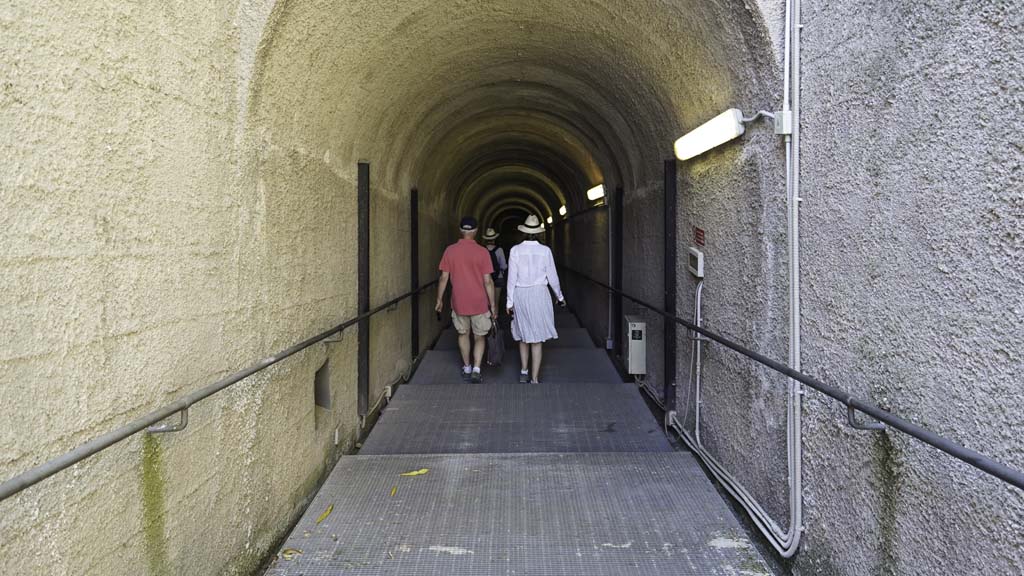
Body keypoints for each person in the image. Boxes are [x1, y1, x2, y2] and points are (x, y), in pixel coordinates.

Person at [436, 216, 498, 383]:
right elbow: (488, 281)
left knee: (463, 334)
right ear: (476, 231)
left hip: (459, 301)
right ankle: (477, 369)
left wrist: (439, 299)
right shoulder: (483, 252)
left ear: (460, 230)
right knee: (479, 336)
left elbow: (443, 278)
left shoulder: (450, 251)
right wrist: (493, 305)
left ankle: (467, 366)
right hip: (479, 302)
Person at [505, 214, 565, 384]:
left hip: (521, 294)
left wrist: (509, 301)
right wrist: (559, 296)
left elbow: (511, 278)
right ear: (538, 232)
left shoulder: (515, 250)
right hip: (540, 294)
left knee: (523, 334)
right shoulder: (545, 251)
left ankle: (524, 370)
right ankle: (534, 378)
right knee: (537, 339)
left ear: (524, 231)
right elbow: (553, 277)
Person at [482, 227, 507, 312]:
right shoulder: (499, 250)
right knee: (496, 302)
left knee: (486, 302)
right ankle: (495, 317)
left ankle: (487, 318)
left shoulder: (482, 250)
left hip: (485, 277)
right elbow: (503, 266)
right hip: (498, 277)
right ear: (494, 239)